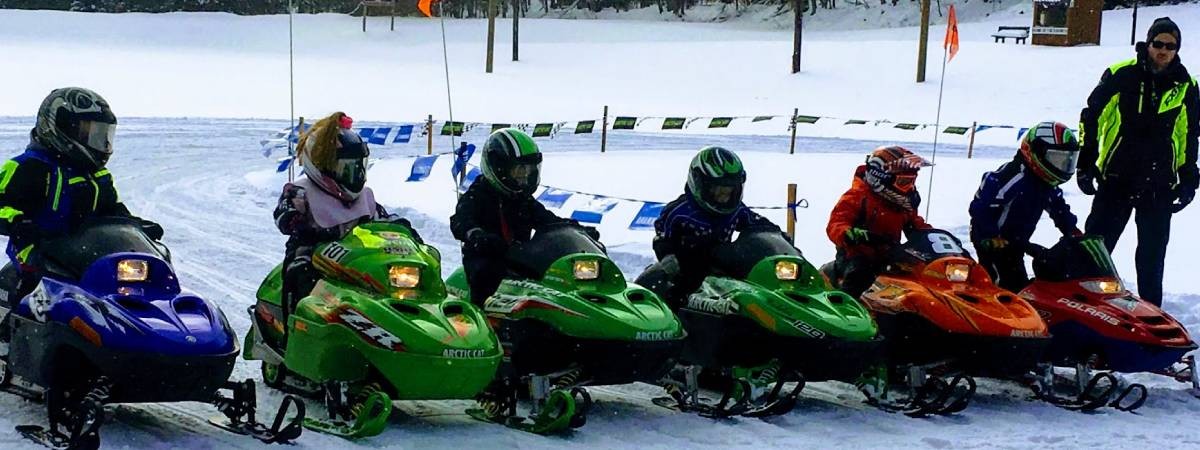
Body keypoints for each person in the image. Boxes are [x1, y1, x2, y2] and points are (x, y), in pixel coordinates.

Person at [0, 87, 161, 354]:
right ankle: (15, 346)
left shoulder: (97, 175)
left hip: (88, 254)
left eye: (102, 135)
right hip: (40, 252)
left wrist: (135, 226)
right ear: (60, 128)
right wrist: (18, 222)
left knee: (128, 290)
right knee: (33, 293)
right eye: (90, 133)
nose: (100, 142)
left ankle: (129, 347)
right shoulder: (29, 167)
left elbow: (111, 209)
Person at [1077, 16, 1200, 306]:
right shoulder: (1122, 74)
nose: (1163, 50)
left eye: (1170, 46)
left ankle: (1152, 321)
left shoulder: (1186, 85)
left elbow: (1189, 134)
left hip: (1158, 185)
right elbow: (1091, 116)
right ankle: (1082, 307)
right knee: (1096, 250)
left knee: (1152, 259)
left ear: (1177, 49)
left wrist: (1189, 177)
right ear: (1148, 43)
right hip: (1117, 178)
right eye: (1158, 43)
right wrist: (1086, 160)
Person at [274, 112, 420, 342]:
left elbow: (381, 217)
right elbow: (283, 216)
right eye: (346, 168)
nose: (355, 175)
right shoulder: (300, 190)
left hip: (354, 258)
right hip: (313, 254)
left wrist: (402, 228)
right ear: (323, 165)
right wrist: (300, 224)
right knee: (299, 274)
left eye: (358, 167)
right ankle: (295, 335)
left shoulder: (364, 196)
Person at [450, 128, 591, 305]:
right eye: (519, 169)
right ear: (498, 167)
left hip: (521, 260)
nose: (525, 175)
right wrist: (477, 235)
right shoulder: (477, 195)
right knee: (486, 274)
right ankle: (484, 323)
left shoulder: (522, 199)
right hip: (486, 260)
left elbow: (548, 220)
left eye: (529, 169)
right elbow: (460, 221)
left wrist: (576, 231)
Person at [650, 146, 780, 306]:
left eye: (729, 191)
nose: (724, 197)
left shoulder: (737, 211)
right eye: (718, 190)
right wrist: (669, 257)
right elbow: (663, 238)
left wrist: (779, 239)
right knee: (675, 292)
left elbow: (759, 225)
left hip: (724, 269)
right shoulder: (679, 212)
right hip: (685, 272)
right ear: (698, 183)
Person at [969, 121, 1081, 292]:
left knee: (1019, 282)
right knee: (1000, 284)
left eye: (1067, 160)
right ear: (1035, 153)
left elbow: (1058, 207)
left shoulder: (1046, 183)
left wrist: (1071, 230)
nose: (1062, 165)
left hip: (1017, 240)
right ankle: (991, 309)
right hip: (992, 241)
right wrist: (990, 235)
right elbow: (981, 207)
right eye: (1057, 159)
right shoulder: (1012, 177)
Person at [826, 146, 933, 298]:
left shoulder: (903, 204)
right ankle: (845, 310)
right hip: (856, 255)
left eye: (912, 182)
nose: (909, 188)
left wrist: (933, 237)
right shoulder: (857, 196)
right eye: (903, 182)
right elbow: (837, 223)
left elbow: (916, 225)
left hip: (890, 254)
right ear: (881, 177)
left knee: (920, 273)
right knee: (860, 274)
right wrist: (850, 233)